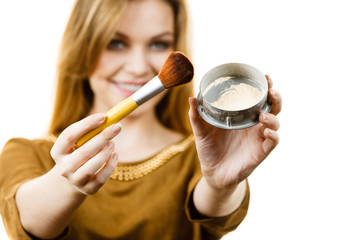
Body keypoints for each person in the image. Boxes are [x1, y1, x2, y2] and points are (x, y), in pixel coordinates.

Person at [0, 0, 282, 239]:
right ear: (81, 47)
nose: (138, 68)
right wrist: (66, 183)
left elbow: (213, 215)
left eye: (159, 43)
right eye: (116, 43)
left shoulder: (201, 155)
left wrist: (221, 187)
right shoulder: (25, 153)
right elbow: (27, 222)